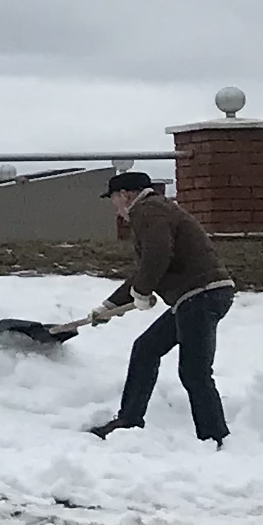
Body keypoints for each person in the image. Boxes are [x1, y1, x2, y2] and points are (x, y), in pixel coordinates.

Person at [91, 167, 232, 445]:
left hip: (200, 295)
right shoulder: (155, 210)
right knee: (146, 349)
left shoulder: (148, 210)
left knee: (194, 372)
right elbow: (147, 267)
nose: (114, 207)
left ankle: (215, 438)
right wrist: (109, 306)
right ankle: (129, 420)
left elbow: (158, 255)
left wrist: (143, 291)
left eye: (113, 199)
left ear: (125, 194)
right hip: (194, 297)